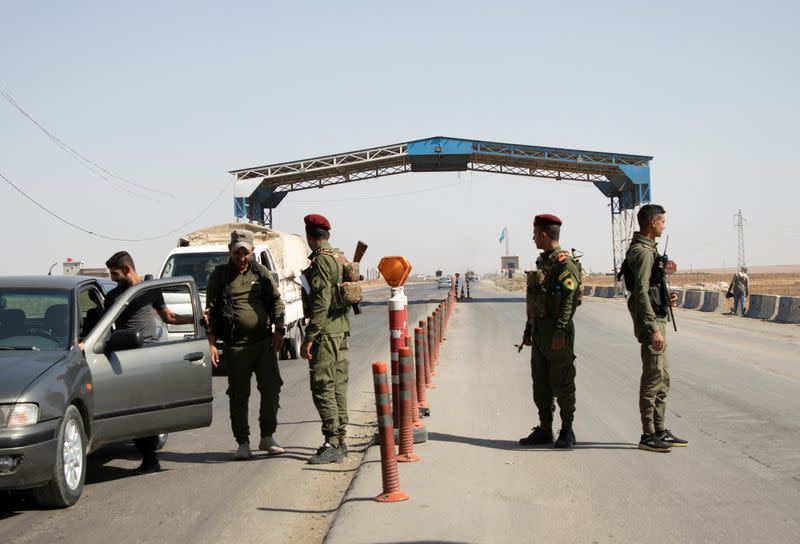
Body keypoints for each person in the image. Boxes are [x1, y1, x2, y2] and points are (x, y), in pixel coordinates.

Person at [103, 251, 194, 473]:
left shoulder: (149, 290)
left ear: (128, 270)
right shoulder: (113, 297)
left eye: (115, 274)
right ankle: (149, 456)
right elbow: (104, 328)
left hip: (150, 355)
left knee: (146, 408)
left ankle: (150, 458)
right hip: (126, 358)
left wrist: (197, 320)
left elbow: (169, 317)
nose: (113, 278)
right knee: (134, 409)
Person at [205, 229, 286, 460]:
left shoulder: (260, 273)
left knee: (271, 389)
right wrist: (211, 344)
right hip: (236, 346)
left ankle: (267, 436)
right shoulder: (219, 276)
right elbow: (209, 312)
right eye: (236, 253)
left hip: (263, 344)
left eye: (245, 253)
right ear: (229, 251)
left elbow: (276, 302)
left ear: (251, 251)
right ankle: (242, 442)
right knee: (239, 396)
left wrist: (279, 329)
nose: (241, 258)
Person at [623, 204, 687, 453]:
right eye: (662, 221)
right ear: (652, 223)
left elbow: (648, 288)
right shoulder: (643, 252)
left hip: (656, 315)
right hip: (652, 322)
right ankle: (648, 434)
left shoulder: (648, 249)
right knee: (652, 377)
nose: (664, 225)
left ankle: (659, 429)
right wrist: (652, 329)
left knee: (663, 376)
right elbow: (639, 292)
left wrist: (664, 297)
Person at [518, 214, 581, 449]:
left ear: (544, 234)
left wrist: (560, 331)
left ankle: (567, 430)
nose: (533, 238)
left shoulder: (564, 263)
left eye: (535, 233)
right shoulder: (542, 262)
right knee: (541, 384)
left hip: (557, 332)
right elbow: (536, 300)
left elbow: (569, 299)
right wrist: (529, 328)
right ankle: (545, 429)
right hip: (540, 330)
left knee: (563, 382)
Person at [299, 214, 352, 464]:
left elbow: (320, 303)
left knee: (323, 386)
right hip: (342, 329)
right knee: (338, 384)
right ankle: (340, 439)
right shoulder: (339, 257)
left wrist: (310, 336)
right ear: (327, 235)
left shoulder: (321, 261)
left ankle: (332, 442)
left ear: (310, 236)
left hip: (327, 331)